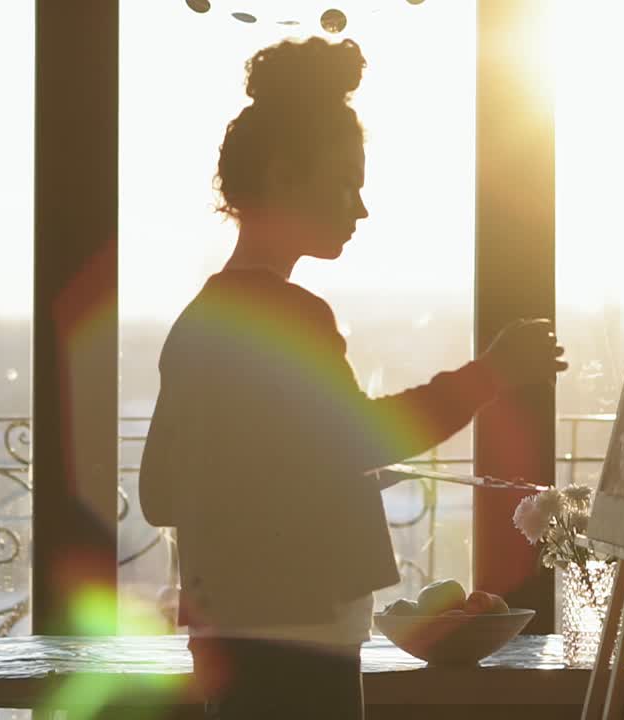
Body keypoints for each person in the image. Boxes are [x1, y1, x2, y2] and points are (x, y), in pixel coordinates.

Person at [139, 36, 566, 720]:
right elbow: (367, 435)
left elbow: (161, 494)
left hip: (226, 634)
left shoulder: (199, 321)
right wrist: (495, 372)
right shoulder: (290, 312)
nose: (360, 207)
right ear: (283, 174)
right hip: (301, 633)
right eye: (347, 180)